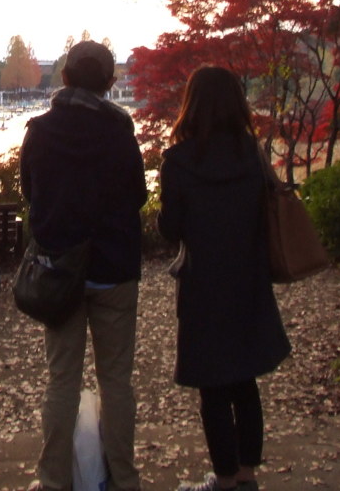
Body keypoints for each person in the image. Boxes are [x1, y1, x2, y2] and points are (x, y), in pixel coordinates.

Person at [20, 40, 148, 491]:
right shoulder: (120, 132)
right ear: (111, 83)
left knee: (62, 381)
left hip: (60, 272)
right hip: (114, 268)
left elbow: (31, 194)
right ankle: (125, 479)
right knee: (116, 381)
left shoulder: (40, 130)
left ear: (65, 78)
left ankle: (53, 480)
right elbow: (139, 195)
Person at [157, 66, 292, 491]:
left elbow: (170, 229)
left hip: (203, 284)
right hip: (250, 279)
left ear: (191, 105)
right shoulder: (251, 154)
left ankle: (224, 477)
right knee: (245, 379)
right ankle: (247, 474)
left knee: (213, 385)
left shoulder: (178, 160)